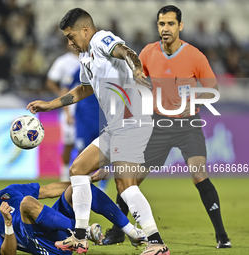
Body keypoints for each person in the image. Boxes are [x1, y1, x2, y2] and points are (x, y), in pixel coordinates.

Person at [27, 8, 170, 255]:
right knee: (78, 169)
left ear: (85, 29)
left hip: (132, 120)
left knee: (125, 186)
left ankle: (156, 242)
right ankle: (80, 237)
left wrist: (136, 68)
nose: (69, 42)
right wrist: (50, 104)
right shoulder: (85, 57)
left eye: (71, 36)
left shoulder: (101, 39)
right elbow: (84, 89)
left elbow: (126, 51)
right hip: (115, 126)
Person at [103, 5, 231, 250]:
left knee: (198, 174)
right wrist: (138, 76)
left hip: (188, 124)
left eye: (171, 24)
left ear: (180, 26)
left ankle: (222, 235)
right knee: (131, 180)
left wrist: (194, 100)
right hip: (158, 124)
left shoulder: (195, 56)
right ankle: (118, 231)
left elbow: (213, 89)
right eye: (161, 24)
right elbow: (137, 79)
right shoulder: (149, 52)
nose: (165, 28)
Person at [0, 162, 146, 255]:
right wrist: (8, 224)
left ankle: (131, 232)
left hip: (56, 226)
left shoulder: (10, 191)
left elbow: (50, 190)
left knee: (79, 188)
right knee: (26, 203)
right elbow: (7, 253)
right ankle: (83, 232)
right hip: (43, 244)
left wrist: (87, 179)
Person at [46, 45, 79, 181]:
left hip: (88, 108)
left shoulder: (91, 59)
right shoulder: (63, 61)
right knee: (69, 143)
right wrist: (61, 97)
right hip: (69, 108)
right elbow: (50, 81)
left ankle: (82, 174)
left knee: (87, 144)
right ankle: (65, 174)